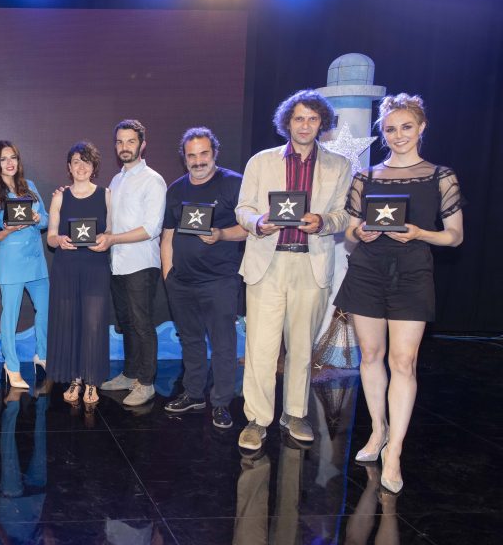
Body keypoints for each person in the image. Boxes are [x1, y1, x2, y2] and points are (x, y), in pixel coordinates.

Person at [334, 94, 463, 493]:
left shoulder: (441, 176)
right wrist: (360, 232)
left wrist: (421, 233)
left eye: (406, 127)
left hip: (412, 273)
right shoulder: (365, 176)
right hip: (367, 271)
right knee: (371, 356)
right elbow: (350, 232)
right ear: (383, 132)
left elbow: (455, 236)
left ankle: (395, 452)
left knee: (403, 362)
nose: (398, 135)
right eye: (390, 129)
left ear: (421, 127)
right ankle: (378, 431)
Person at [235, 90, 352, 451]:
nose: (305, 125)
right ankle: (257, 420)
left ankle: (296, 414)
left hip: (311, 264)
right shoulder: (261, 162)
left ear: (322, 123)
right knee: (261, 347)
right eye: (299, 118)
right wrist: (259, 222)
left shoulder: (339, 165)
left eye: (313, 119)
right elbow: (243, 208)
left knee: (302, 347)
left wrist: (324, 221)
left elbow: (345, 215)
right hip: (267, 264)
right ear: (287, 122)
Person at [161, 128, 246, 429]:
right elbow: (167, 235)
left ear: (215, 153)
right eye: (191, 155)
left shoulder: (234, 183)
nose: (198, 161)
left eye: (204, 153)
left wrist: (221, 234)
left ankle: (221, 403)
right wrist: (168, 275)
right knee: (191, 340)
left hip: (219, 281)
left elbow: (249, 229)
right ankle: (194, 394)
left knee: (223, 344)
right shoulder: (176, 189)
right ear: (184, 158)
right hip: (181, 282)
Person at [97, 119, 167, 407]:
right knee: (126, 322)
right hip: (117, 263)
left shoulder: (153, 180)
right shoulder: (117, 180)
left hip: (141, 263)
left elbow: (151, 228)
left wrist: (112, 238)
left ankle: (146, 383)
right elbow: (112, 222)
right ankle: (129, 374)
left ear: (142, 145)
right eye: (120, 142)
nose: (124, 147)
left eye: (130, 141)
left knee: (142, 324)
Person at [45, 141, 112, 407]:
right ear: (69, 167)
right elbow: (50, 237)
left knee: (93, 324)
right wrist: (59, 240)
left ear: (94, 166)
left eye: (86, 161)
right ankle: (74, 378)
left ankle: (92, 380)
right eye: (76, 162)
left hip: (96, 268)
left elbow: (111, 231)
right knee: (70, 323)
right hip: (66, 268)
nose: (81, 167)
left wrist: (105, 238)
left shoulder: (106, 195)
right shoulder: (60, 197)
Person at [0, 140, 49, 390]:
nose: (9, 163)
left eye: (13, 157)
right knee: (10, 316)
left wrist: (37, 217)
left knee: (45, 310)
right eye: (3, 159)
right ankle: (11, 365)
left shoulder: (29, 186)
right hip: (11, 262)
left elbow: (45, 221)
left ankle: (42, 355)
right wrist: (9, 230)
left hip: (36, 260)